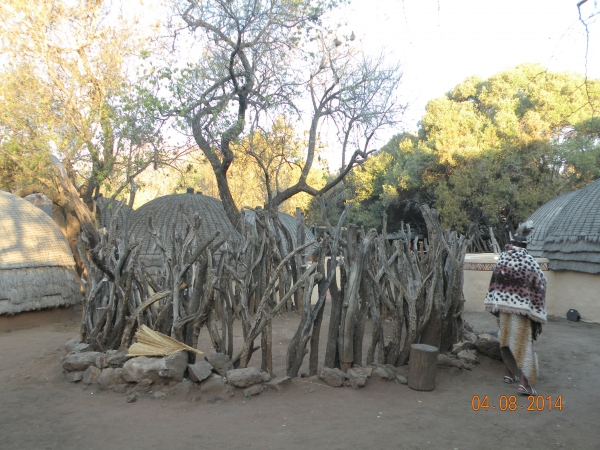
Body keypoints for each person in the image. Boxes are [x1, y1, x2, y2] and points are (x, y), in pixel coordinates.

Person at [483, 221, 547, 395]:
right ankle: (524, 384)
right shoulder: (529, 260)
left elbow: (494, 282)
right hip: (522, 311)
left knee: (507, 341)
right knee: (524, 344)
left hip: (503, 310)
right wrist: (534, 305)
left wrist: (496, 302)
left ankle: (508, 374)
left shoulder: (503, 258)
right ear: (525, 246)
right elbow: (540, 282)